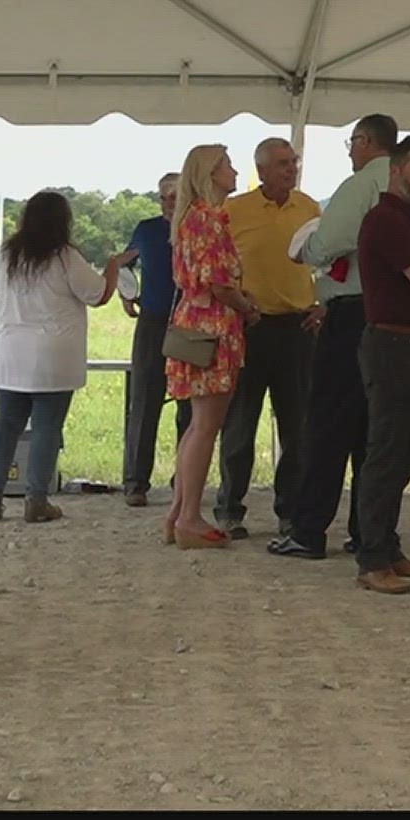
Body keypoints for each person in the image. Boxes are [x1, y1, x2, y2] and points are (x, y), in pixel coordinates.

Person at [269, 113, 397, 561]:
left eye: (351, 143)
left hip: (350, 312)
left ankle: (307, 530)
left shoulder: (361, 186)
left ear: (363, 142)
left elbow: (331, 240)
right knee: (371, 430)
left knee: (327, 425)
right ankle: (368, 529)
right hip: (388, 315)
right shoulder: (403, 187)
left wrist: (310, 251)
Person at [0, 191, 129, 523]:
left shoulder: (7, 255)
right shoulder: (64, 257)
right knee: (47, 429)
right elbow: (99, 294)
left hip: (11, 352)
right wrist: (113, 267)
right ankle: (36, 499)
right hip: (54, 355)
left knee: (4, 427)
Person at [350, 136, 410, 595]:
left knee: (404, 454)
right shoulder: (386, 220)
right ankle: (371, 558)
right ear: (396, 169)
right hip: (390, 344)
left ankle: (388, 548)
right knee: (386, 454)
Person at [213, 138, 322, 539]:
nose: (290, 169)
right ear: (260, 170)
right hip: (249, 327)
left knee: (297, 427)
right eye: (281, 164)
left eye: (293, 162)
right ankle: (229, 508)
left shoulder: (309, 208)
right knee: (240, 424)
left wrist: (321, 302)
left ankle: (290, 511)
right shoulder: (234, 210)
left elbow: (328, 261)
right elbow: (219, 265)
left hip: (298, 329)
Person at [164, 144, 257, 550]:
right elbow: (220, 284)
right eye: (228, 166)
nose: (235, 172)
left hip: (190, 323)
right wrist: (247, 307)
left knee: (195, 425)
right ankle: (188, 518)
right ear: (210, 174)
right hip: (214, 328)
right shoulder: (210, 219)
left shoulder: (188, 219)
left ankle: (178, 514)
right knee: (206, 427)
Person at [120, 172, 191, 505]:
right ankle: (136, 481)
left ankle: (186, 480)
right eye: (164, 197)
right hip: (152, 320)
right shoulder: (146, 229)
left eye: (176, 196)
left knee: (190, 406)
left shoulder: (198, 228)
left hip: (190, 322)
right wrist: (125, 292)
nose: (169, 204)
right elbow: (123, 263)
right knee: (144, 403)